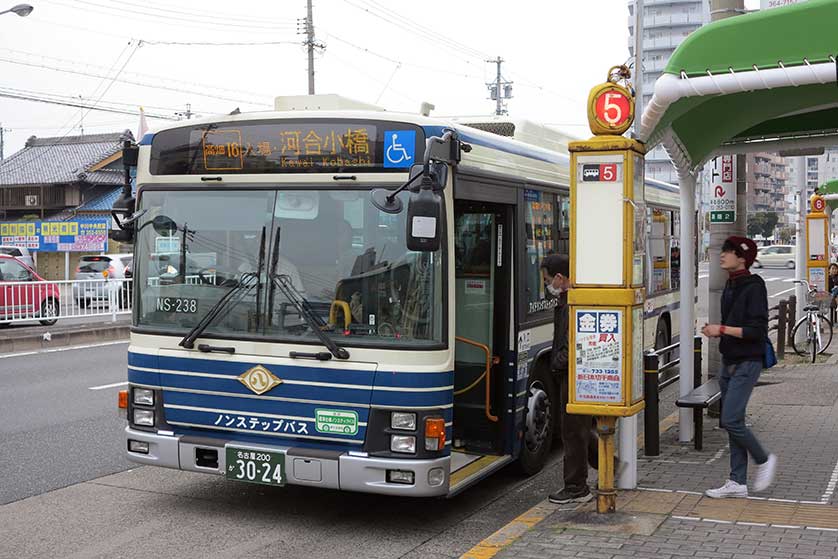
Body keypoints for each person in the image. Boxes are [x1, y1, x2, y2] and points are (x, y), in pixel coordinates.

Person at [701, 236, 777, 499]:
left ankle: (764, 458)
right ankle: (737, 481)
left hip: (747, 362)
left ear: (742, 257)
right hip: (729, 362)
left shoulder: (754, 287)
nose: (722, 255)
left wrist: (720, 329)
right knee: (735, 422)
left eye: (728, 252)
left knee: (731, 420)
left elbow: (756, 331)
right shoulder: (731, 284)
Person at [541, 254, 597, 504]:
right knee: (579, 428)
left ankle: (576, 487)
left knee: (572, 431)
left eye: (547, 280)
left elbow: (570, 344)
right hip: (576, 372)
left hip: (574, 374)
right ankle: (613, 467)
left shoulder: (572, 302)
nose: (547, 285)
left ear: (560, 277)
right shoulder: (569, 299)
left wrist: (558, 363)